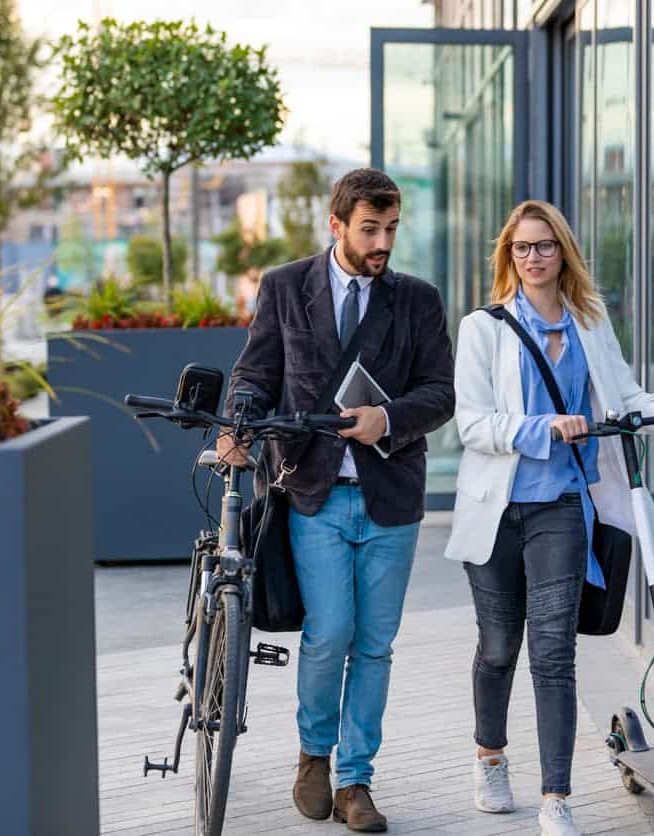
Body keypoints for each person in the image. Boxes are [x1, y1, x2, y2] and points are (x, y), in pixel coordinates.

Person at [444, 200, 654, 836]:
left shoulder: (590, 319)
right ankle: (490, 755)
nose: (534, 257)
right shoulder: (485, 327)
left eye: (546, 246)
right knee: (500, 647)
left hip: (562, 506)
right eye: (523, 247)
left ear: (564, 252)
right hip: (497, 511)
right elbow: (471, 424)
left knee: (553, 655)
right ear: (509, 256)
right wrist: (542, 427)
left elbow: (621, 392)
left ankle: (556, 799)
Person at [218, 168, 454, 832]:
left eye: (391, 230)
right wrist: (240, 420)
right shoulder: (286, 287)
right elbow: (256, 372)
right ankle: (313, 755)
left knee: (375, 645)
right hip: (312, 492)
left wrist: (390, 418)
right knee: (329, 635)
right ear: (337, 224)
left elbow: (442, 392)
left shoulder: (417, 301)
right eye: (370, 230)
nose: (383, 244)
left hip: (391, 495)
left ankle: (355, 781)